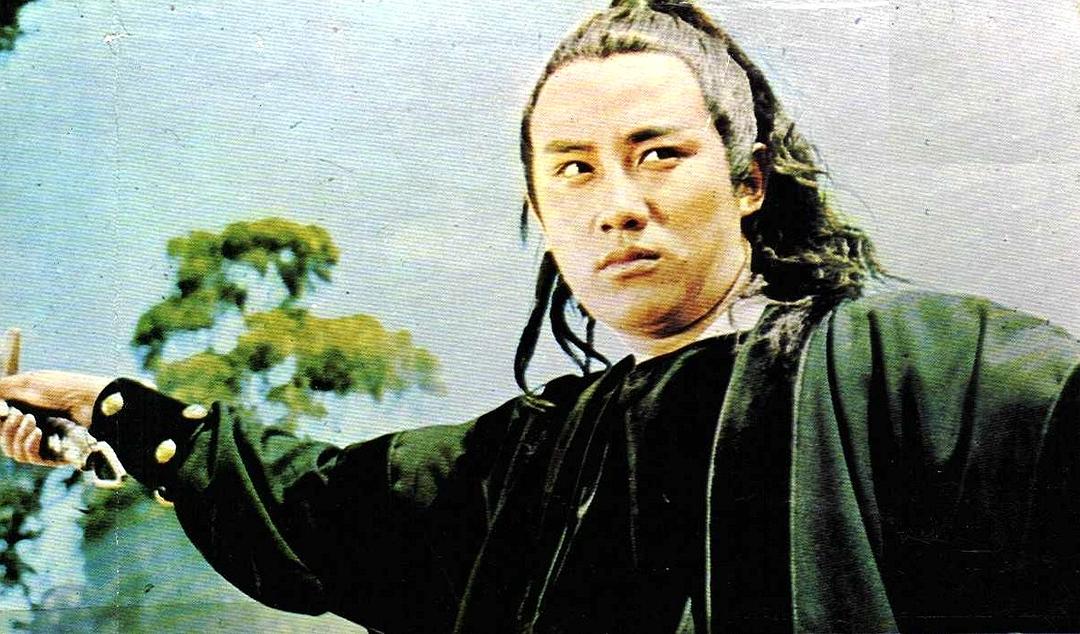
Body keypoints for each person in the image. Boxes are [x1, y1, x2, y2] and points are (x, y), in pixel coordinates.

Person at [2, 0, 1079, 631]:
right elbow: (319, 509)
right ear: (542, 213)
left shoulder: (923, 367)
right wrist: (110, 412)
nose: (618, 204)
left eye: (658, 153)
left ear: (748, 180)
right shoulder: (528, 463)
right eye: (573, 169)